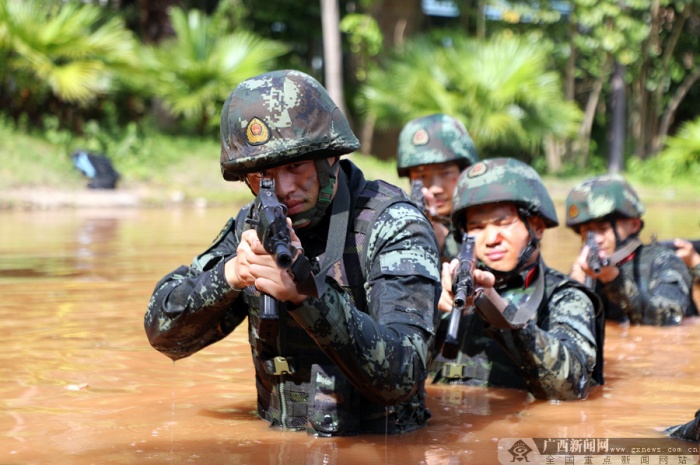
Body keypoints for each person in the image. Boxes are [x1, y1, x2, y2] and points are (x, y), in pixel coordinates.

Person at [144, 70, 442, 436]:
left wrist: (306, 297)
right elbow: (164, 335)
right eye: (263, 175)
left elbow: (403, 375)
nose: (283, 189)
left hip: (382, 446)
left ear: (330, 156)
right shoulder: (249, 227)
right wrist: (231, 276)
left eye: (295, 166)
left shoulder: (393, 224)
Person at [431, 158, 602, 400]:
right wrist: (428, 311)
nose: (491, 238)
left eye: (503, 222)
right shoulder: (447, 288)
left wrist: (495, 308)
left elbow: (571, 387)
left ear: (538, 227)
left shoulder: (563, 296)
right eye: (477, 227)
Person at [566, 175, 694, 326]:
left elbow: (668, 319)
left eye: (603, 229)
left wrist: (613, 279)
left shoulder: (664, 262)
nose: (597, 240)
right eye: (588, 232)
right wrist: (574, 291)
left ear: (634, 225)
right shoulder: (584, 271)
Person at [396, 114, 480, 261]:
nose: (435, 188)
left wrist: (445, 243)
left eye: (446, 172)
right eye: (421, 176)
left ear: (465, 171)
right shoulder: (397, 223)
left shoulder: (486, 218)